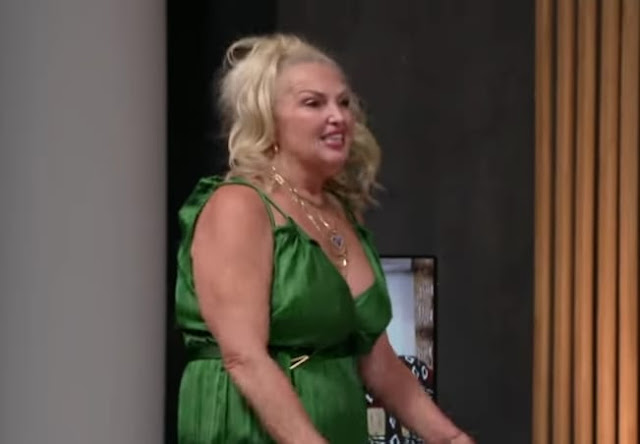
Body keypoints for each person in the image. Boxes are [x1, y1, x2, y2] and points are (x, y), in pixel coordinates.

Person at [175, 33, 474, 444]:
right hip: (248, 428)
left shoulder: (338, 211)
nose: (338, 117)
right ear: (268, 119)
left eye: (344, 103)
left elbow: (379, 364)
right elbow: (244, 358)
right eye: (313, 103)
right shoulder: (239, 205)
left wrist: (450, 438)